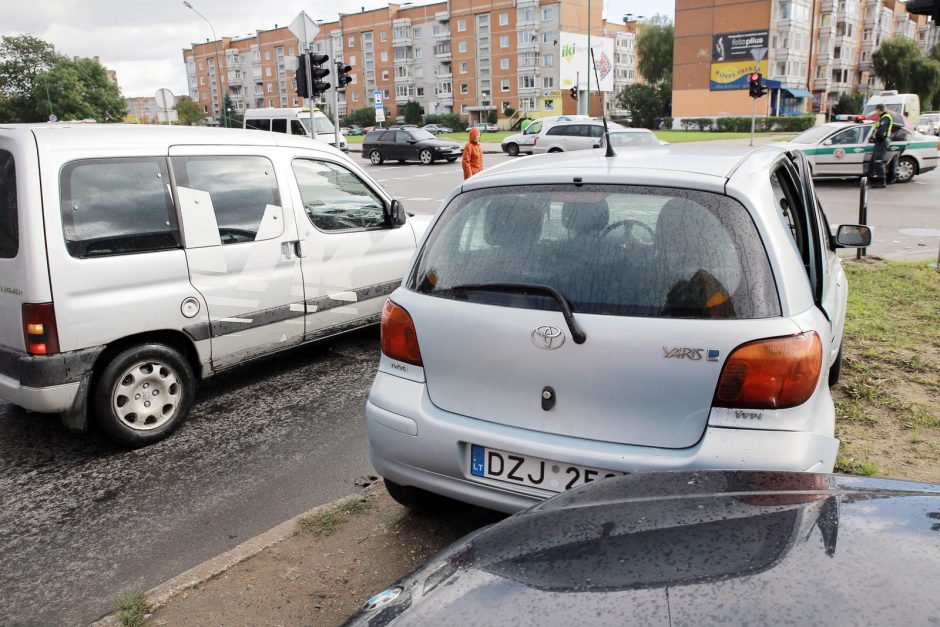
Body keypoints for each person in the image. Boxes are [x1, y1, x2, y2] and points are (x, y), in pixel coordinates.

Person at [870, 104, 893, 188]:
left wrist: (875, 138)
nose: (876, 112)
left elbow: (880, 132)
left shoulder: (886, 118)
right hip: (880, 141)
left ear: (879, 110)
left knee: (879, 161)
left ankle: (882, 181)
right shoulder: (882, 118)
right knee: (875, 161)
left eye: (876, 110)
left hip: (882, 141)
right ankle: (873, 179)